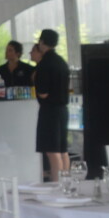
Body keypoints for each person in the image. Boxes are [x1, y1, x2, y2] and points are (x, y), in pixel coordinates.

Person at [33, 29, 70, 180]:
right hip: (63, 110)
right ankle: (66, 182)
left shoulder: (45, 64)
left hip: (50, 111)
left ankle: (57, 185)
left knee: (52, 151)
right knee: (62, 150)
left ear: (42, 42)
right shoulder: (61, 62)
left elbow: (43, 92)